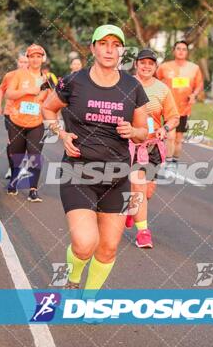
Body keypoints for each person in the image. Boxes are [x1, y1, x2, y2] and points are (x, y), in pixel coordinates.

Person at [42, 24, 148, 292]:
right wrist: (61, 134)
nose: (109, 49)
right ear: (93, 48)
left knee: (108, 248)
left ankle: (90, 300)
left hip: (116, 177)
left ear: (122, 50)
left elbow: (142, 133)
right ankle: (73, 277)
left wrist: (133, 131)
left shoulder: (132, 86)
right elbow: (47, 108)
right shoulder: (74, 81)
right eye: (103, 43)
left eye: (115, 44)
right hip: (78, 172)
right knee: (85, 243)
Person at [128, 48, 179, 248]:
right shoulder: (126, 84)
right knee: (138, 184)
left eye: (150, 63)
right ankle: (143, 233)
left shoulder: (162, 89)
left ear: (155, 67)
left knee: (147, 191)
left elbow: (174, 117)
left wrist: (165, 128)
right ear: (136, 64)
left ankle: (134, 211)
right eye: (143, 62)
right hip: (132, 143)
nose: (146, 66)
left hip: (153, 145)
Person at [4, 44, 51, 202]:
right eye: (32, 56)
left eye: (38, 56)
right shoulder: (19, 75)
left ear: (42, 59)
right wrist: (26, 91)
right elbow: (9, 94)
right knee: (16, 154)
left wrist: (53, 122)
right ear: (28, 58)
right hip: (16, 121)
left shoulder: (46, 79)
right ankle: (14, 181)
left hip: (36, 123)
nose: (35, 59)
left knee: (35, 155)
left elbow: (50, 101)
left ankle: (33, 190)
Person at [156, 41, 203, 167]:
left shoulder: (194, 68)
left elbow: (199, 85)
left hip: (184, 109)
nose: (181, 51)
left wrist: (194, 94)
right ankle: (167, 163)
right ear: (174, 51)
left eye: (184, 49)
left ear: (187, 52)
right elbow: (155, 80)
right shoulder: (165, 67)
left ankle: (174, 161)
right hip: (168, 108)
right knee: (170, 137)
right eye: (178, 48)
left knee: (178, 139)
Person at [0, 54, 29, 180]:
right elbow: (0, 90)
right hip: (11, 113)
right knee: (12, 142)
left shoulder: (33, 76)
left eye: (26, 62)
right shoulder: (9, 75)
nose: (23, 64)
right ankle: (11, 168)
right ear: (17, 62)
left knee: (25, 142)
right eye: (21, 62)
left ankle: (22, 166)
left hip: (27, 114)